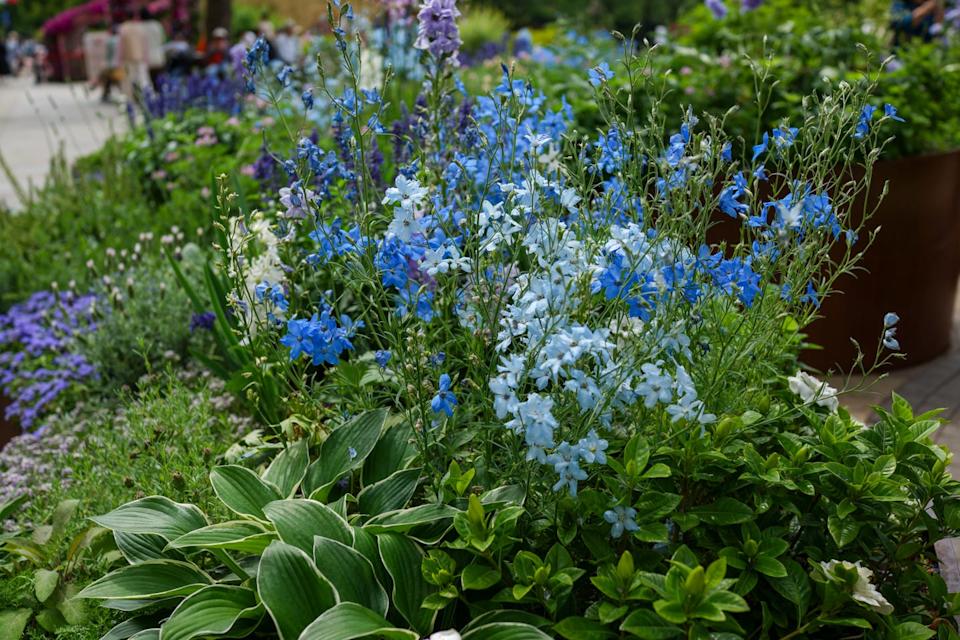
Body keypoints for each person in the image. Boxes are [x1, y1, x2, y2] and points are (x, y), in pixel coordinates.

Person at [118, 10, 150, 99]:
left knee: (127, 81)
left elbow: (121, 46)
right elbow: (145, 44)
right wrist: (146, 57)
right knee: (143, 79)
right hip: (140, 57)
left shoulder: (123, 28)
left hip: (127, 58)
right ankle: (147, 97)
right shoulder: (141, 27)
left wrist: (119, 59)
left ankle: (128, 99)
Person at [141, 8, 166, 87]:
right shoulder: (157, 25)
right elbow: (163, 40)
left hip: (146, 60)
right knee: (159, 85)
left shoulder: (141, 27)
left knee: (148, 85)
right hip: (159, 58)